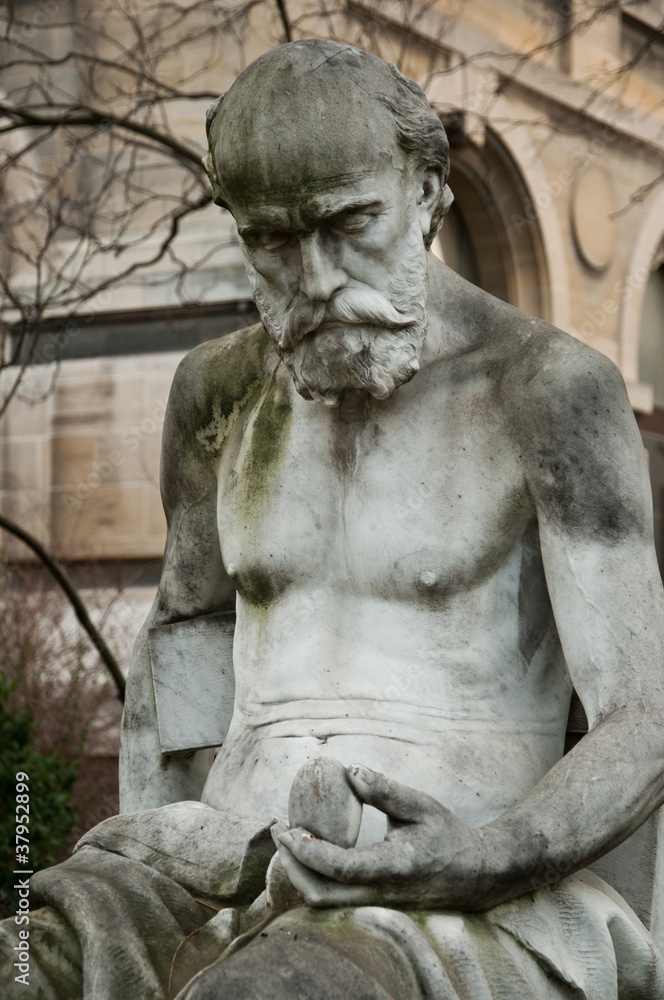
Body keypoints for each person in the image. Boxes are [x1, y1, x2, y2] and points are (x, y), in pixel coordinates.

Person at [3, 38, 664, 1000]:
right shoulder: (215, 395)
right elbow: (188, 636)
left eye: (349, 224)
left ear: (428, 192)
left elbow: (643, 718)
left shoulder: (549, 392)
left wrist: (486, 856)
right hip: (219, 850)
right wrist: (141, 853)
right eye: (271, 240)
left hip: (464, 883)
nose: (313, 280)